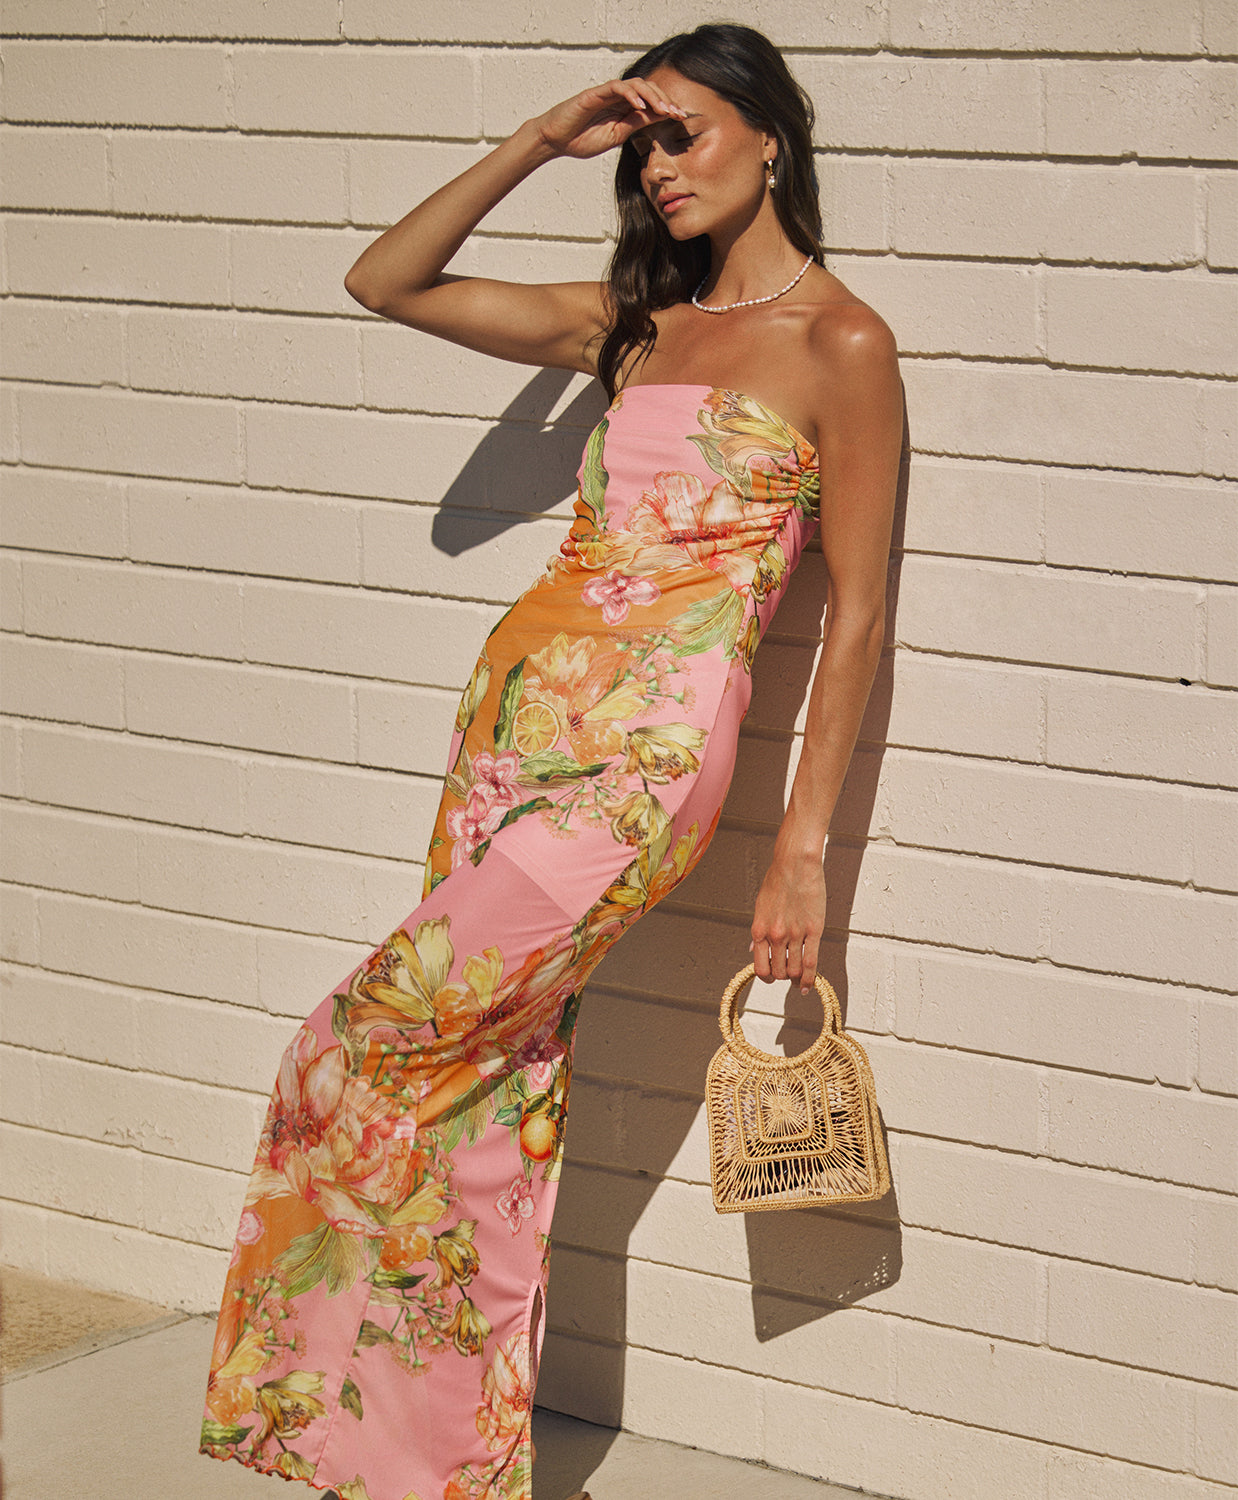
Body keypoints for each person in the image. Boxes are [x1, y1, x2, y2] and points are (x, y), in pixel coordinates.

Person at [199, 22, 902, 1500]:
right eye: (642, 143)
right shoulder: (631, 325)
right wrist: (537, 140)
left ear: (773, 137)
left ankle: (378, 1435)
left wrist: (799, 844)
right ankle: (416, 1458)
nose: (658, 167)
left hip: (644, 763)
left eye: (687, 132)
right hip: (511, 730)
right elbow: (384, 281)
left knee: (359, 1039)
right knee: (487, 1077)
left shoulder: (842, 344)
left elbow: (856, 620)